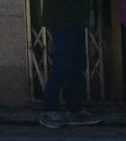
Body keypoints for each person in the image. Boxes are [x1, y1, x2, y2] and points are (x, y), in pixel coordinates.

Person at [38, 0, 101, 129]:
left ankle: (74, 109)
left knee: (76, 65)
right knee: (62, 65)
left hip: (76, 20)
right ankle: (49, 109)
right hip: (62, 21)